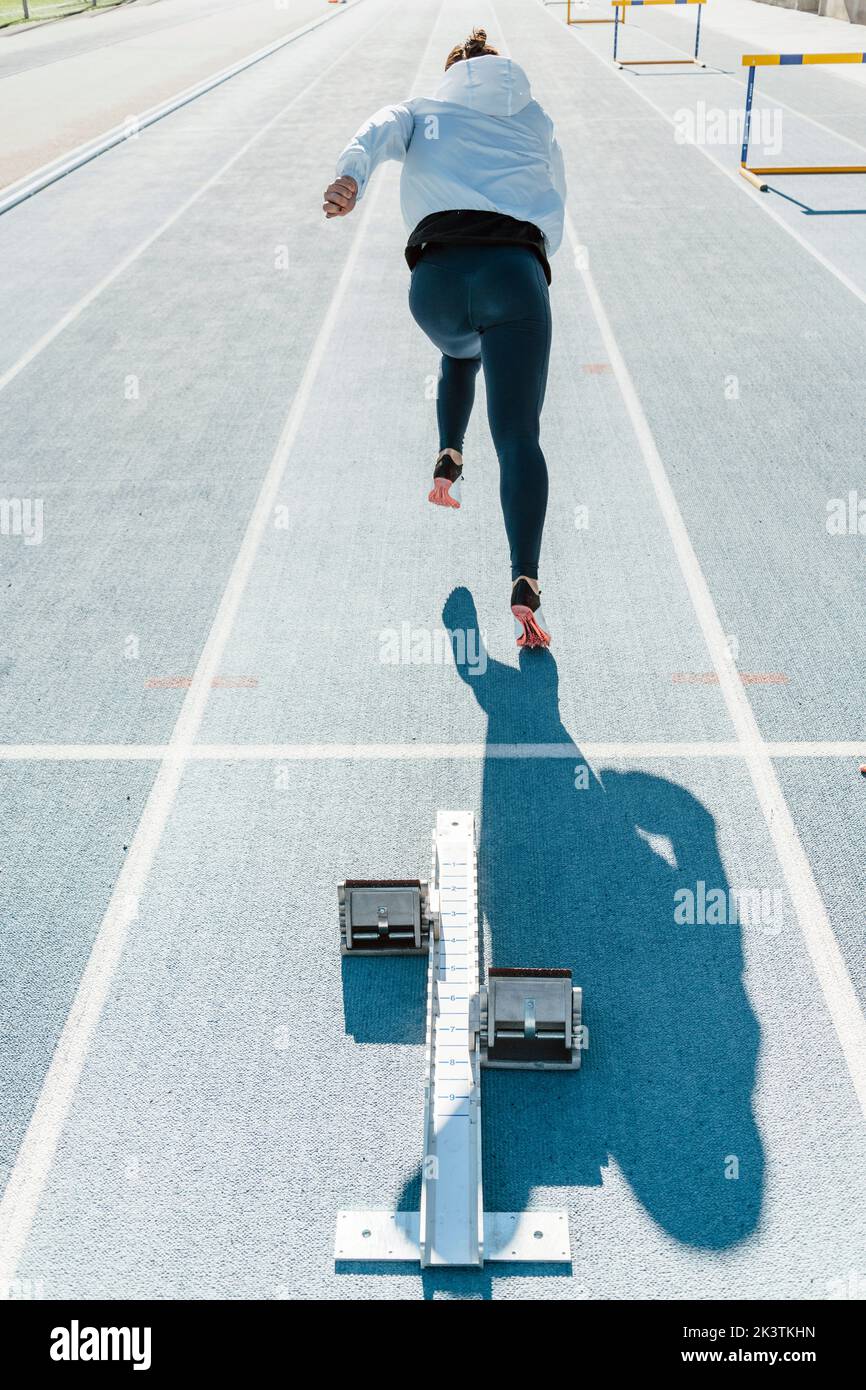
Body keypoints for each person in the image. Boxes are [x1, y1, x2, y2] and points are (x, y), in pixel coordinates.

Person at [324, 28, 566, 647]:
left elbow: (374, 131)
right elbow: (554, 200)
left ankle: (448, 456)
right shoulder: (536, 121)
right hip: (514, 273)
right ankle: (525, 581)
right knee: (518, 438)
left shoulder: (422, 112)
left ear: (452, 75)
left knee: (460, 347)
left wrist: (350, 177)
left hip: (435, 280)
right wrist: (532, 273)